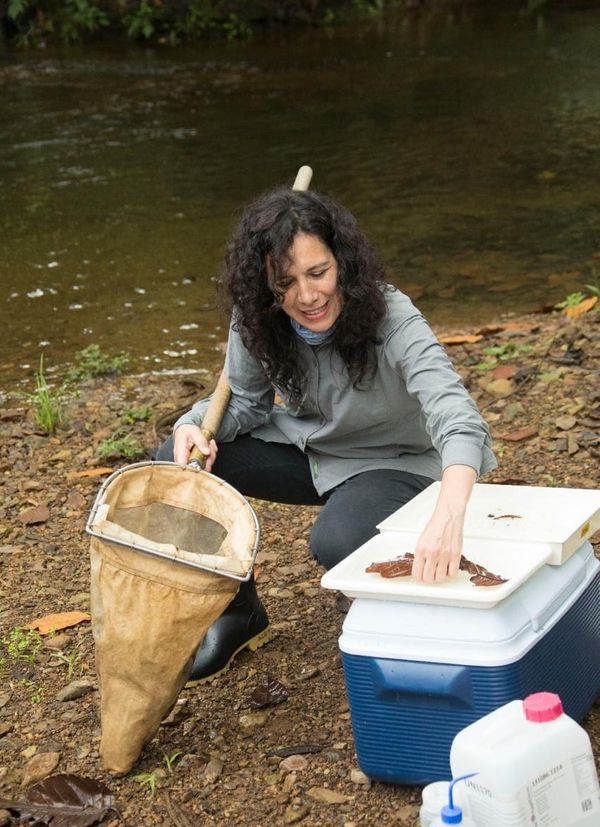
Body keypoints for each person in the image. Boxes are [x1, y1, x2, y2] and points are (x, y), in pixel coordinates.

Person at [157, 186, 496, 683]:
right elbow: (245, 404)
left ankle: (404, 621)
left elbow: (456, 414)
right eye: (286, 283)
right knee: (180, 463)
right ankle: (237, 613)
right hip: (309, 450)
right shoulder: (256, 318)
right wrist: (192, 424)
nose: (308, 296)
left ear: (344, 263)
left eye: (319, 273)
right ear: (265, 285)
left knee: (339, 540)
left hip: (393, 461)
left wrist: (450, 510)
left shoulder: (392, 315)